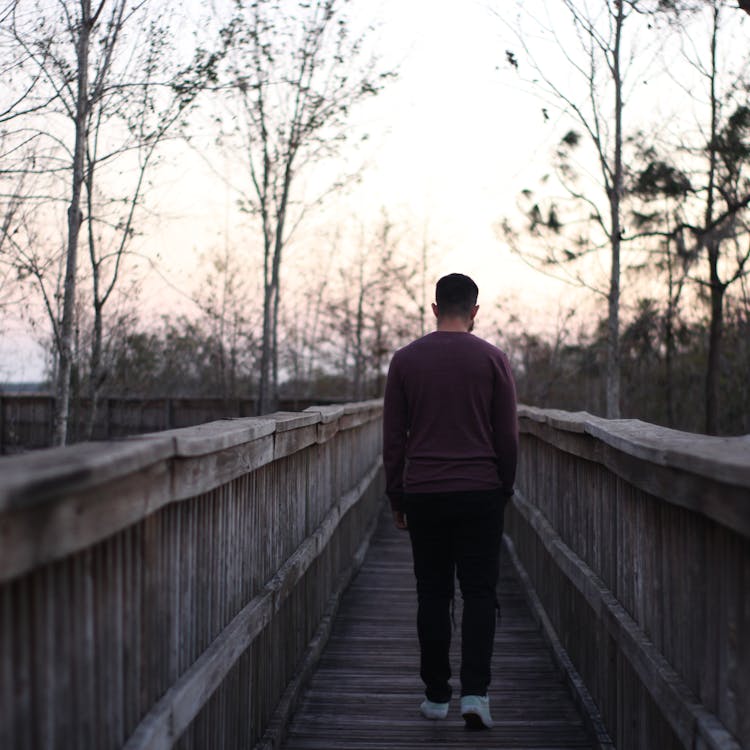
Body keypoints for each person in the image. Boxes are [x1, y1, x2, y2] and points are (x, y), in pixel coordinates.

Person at [382, 272, 518, 730]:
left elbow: (393, 438)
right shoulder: (493, 359)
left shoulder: (405, 361)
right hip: (481, 492)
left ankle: (437, 696)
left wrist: (396, 494)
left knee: (433, 593)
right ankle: (476, 695)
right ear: (475, 312)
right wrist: (505, 489)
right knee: (480, 592)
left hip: (424, 492)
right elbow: (508, 436)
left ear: (435, 308)